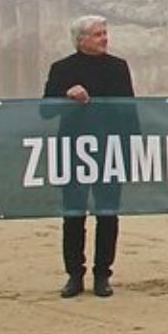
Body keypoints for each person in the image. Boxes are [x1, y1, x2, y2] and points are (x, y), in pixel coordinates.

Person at [42, 15, 134, 299]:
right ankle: (74, 275)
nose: (104, 38)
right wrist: (66, 95)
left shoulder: (118, 67)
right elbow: (45, 110)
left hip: (110, 150)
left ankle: (103, 275)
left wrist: (132, 151)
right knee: (73, 214)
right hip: (73, 151)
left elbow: (130, 111)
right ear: (81, 40)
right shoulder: (62, 68)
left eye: (105, 33)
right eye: (97, 34)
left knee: (107, 214)